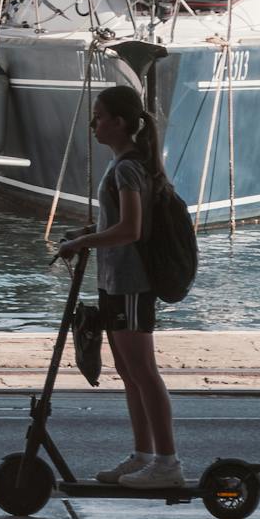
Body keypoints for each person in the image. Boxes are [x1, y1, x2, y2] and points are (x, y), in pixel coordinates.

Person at [57, 84, 182, 488]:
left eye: (98, 115)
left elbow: (131, 229)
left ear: (120, 122)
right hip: (114, 282)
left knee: (144, 372)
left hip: (132, 284)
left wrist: (83, 242)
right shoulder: (123, 166)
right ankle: (143, 455)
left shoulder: (128, 168)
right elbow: (119, 224)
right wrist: (89, 233)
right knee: (128, 372)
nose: (93, 123)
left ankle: (167, 464)